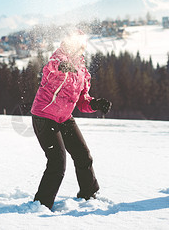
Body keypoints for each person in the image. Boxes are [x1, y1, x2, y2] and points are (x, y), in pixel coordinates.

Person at [31, 30, 112, 210]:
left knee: (83, 155)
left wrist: (95, 104)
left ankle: (89, 195)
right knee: (58, 162)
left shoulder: (82, 70)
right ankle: (41, 204)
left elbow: (83, 101)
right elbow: (51, 67)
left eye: (82, 44)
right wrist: (61, 67)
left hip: (64, 117)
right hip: (44, 116)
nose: (81, 47)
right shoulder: (58, 58)